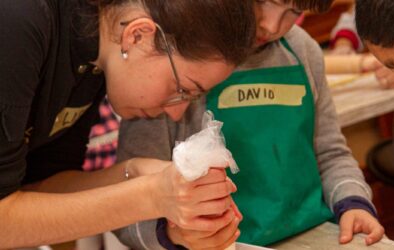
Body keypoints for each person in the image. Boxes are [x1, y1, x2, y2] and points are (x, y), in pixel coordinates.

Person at [114, 0, 386, 249]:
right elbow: (127, 207)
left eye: (293, 11)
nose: (271, 25)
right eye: (264, 1)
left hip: (310, 234)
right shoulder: (178, 66)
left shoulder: (303, 51)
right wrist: (170, 235)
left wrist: (353, 202)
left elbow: (331, 154)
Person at [0, 0, 256, 248]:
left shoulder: (96, 58)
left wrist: (138, 171)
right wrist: (152, 196)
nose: (177, 113)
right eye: (182, 89)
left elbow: (44, 187)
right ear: (137, 36)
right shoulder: (18, 19)